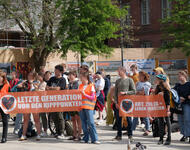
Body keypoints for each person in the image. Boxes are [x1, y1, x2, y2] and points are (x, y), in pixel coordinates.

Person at [114, 67, 136, 142]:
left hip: (127, 103)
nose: (118, 73)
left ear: (123, 71)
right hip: (119, 103)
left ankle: (130, 135)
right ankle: (119, 135)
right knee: (118, 120)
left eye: (119, 71)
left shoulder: (130, 80)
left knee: (129, 119)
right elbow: (115, 93)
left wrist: (125, 93)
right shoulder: (117, 81)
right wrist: (116, 102)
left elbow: (134, 91)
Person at [18, 72, 41, 141]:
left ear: (33, 77)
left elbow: (39, 92)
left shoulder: (37, 82)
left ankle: (39, 134)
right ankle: (24, 135)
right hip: (26, 103)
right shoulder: (25, 83)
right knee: (25, 120)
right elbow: (18, 86)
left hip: (34, 103)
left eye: (30, 75)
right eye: (28, 75)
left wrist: (35, 86)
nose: (29, 77)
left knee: (36, 119)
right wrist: (22, 84)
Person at [79, 72, 100, 144]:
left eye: (82, 77)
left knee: (91, 123)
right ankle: (85, 138)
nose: (81, 78)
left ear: (86, 78)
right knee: (84, 123)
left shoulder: (91, 86)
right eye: (80, 77)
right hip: (81, 107)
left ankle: (94, 139)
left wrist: (85, 94)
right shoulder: (80, 86)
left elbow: (93, 97)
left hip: (89, 107)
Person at [47, 65, 66, 139]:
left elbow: (59, 88)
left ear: (60, 71)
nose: (55, 72)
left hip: (60, 100)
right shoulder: (51, 79)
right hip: (52, 100)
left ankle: (61, 132)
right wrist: (53, 89)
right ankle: (57, 132)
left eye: (56, 70)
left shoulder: (63, 80)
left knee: (59, 116)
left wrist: (51, 88)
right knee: (54, 117)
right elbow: (46, 88)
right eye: (55, 70)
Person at [132, 71, 151, 136]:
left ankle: (148, 129)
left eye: (140, 76)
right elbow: (134, 91)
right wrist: (138, 92)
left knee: (145, 116)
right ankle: (132, 129)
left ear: (144, 76)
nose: (139, 77)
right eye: (138, 76)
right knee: (135, 116)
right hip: (137, 101)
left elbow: (143, 93)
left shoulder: (147, 84)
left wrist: (138, 92)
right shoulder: (137, 83)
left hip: (144, 101)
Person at [154, 74, 171, 145]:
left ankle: (169, 138)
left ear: (161, 81)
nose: (156, 80)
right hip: (159, 108)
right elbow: (155, 98)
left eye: (157, 79)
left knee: (167, 122)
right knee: (160, 122)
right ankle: (161, 138)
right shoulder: (157, 88)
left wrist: (168, 110)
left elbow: (168, 102)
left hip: (166, 108)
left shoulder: (166, 89)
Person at [174, 70, 190, 143]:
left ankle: (188, 135)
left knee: (187, 119)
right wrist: (179, 97)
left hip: (187, 103)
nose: (179, 77)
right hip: (179, 104)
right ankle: (184, 134)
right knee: (180, 120)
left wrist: (185, 97)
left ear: (185, 76)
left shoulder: (189, 84)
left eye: (181, 75)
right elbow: (173, 92)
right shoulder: (177, 85)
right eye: (178, 75)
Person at [68, 70, 82, 141]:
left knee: (78, 119)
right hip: (71, 104)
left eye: (71, 75)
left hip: (77, 103)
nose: (70, 76)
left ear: (74, 75)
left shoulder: (77, 83)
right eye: (69, 75)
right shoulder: (69, 84)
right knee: (73, 119)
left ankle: (79, 134)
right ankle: (74, 134)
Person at [34, 72, 48, 137]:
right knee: (39, 116)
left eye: (39, 76)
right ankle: (40, 130)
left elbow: (41, 92)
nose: (38, 78)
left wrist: (36, 88)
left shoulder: (44, 83)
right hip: (38, 101)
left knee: (43, 116)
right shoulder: (39, 83)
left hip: (43, 101)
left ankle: (45, 130)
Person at [0, 70, 10, 143]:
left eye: (0, 77)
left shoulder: (7, 85)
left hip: (4, 104)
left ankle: (4, 137)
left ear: (3, 78)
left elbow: (10, 94)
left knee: (5, 121)